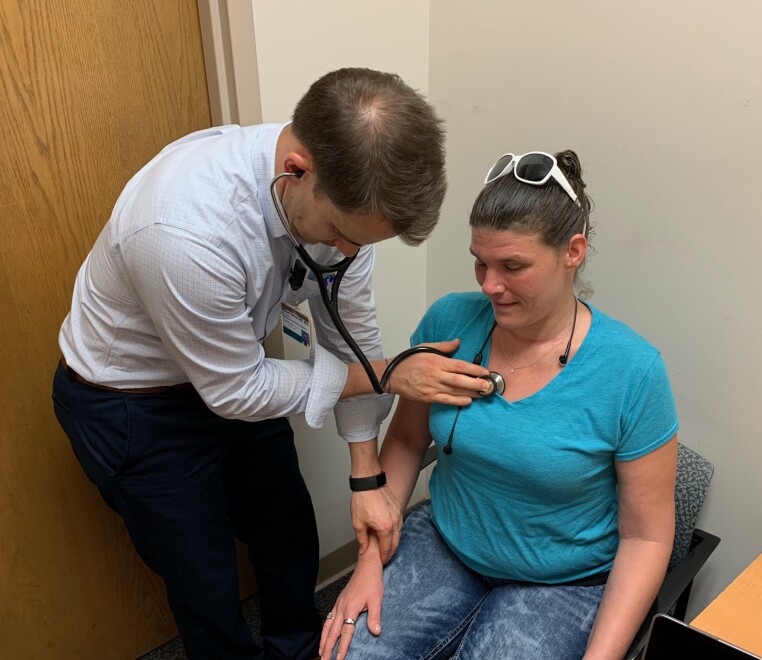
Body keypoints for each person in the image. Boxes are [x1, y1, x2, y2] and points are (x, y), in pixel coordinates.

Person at [51, 68, 492, 660]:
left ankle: (300, 650)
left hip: (234, 372)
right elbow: (236, 393)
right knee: (203, 578)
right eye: (340, 235)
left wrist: (365, 474)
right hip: (134, 403)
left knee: (287, 534)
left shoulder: (345, 210)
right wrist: (389, 374)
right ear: (296, 170)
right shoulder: (183, 231)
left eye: (365, 244)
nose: (349, 254)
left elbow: (350, 338)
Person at [321, 150, 679, 660]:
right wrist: (368, 562)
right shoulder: (451, 322)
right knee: (345, 653)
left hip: (562, 582)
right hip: (446, 543)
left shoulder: (632, 372)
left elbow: (646, 538)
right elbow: (404, 439)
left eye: (513, 266)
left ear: (572, 252)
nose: (489, 285)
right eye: (480, 262)